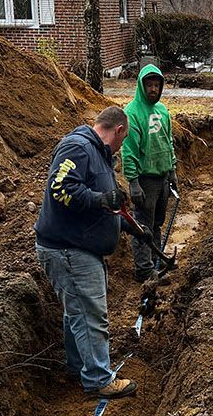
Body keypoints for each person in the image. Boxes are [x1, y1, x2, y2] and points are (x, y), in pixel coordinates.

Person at [34, 105, 150, 400]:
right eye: (123, 141)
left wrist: (129, 227)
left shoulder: (98, 154)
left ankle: (78, 367)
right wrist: (100, 198)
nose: (121, 147)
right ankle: (99, 378)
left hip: (76, 247)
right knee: (90, 315)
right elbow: (60, 190)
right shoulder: (79, 148)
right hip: (69, 249)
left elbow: (103, 205)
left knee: (78, 312)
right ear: (119, 130)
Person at [121, 64, 178, 283]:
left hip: (162, 177)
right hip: (145, 180)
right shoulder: (132, 113)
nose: (153, 89)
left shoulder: (162, 111)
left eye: (157, 85)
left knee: (156, 224)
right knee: (142, 226)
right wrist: (133, 181)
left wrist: (172, 170)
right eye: (149, 85)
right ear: (141, 86)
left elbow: (168, 141)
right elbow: (129, 150)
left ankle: (157, 259)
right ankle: (144, 271)